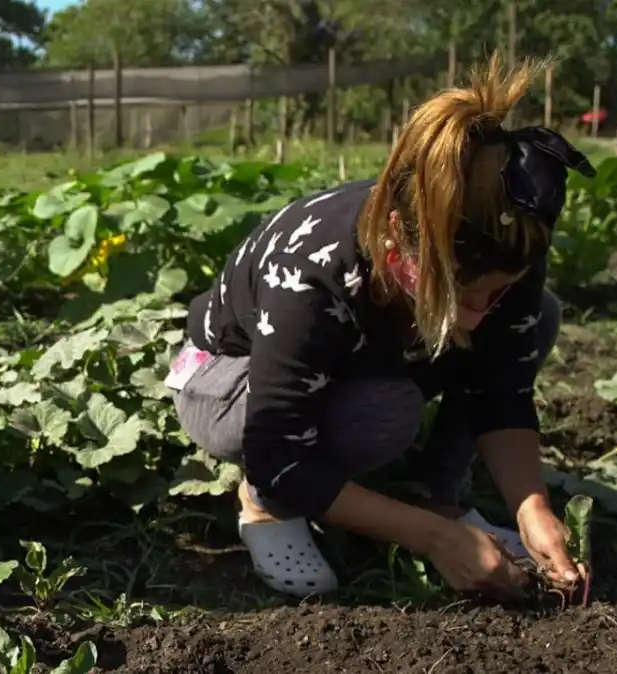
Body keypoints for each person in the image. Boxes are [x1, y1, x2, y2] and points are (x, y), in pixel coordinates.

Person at [167, 55, 591, 598]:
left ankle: (436, 495)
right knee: (381, 415)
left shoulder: (507, 242)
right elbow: (278, 449)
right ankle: (263, 506)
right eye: (463, 292)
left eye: (498, 290)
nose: (482, 310)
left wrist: (532, 506)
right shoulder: (315, 269)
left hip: (365, 358)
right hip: (228, 379)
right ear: (397, 238)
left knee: (536, 319)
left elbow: (500, 388)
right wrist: (434, 542)